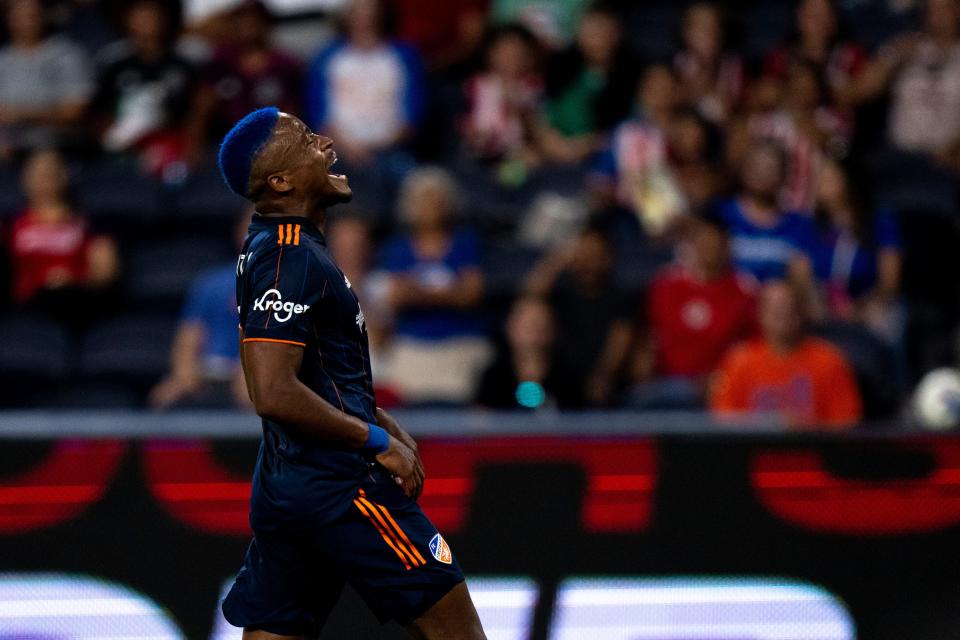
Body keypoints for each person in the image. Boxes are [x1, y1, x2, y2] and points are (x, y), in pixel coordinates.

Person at [216, 108, 486, 638]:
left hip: (288, 485)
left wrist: (378, 414)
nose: (327, 143)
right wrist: (373, 438)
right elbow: (271, 391)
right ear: (281, 180)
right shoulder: (287, 256)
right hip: (339, 488)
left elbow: (317, 373)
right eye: (306, 140)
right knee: (458, 631)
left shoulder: (284, 246)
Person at [379, 167, 490, 405]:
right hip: (414, 344)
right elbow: (395, 297)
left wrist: (418, 293)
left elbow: (472, 294)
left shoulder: (465, 243)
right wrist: (449, 293)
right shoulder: (398, 248)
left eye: (437, 200)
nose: (431, 207)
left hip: (461, 342)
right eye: (425, 201)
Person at [628, 213, 757, 409]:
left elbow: (752, 348)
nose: (709, 248)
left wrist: (722, 376)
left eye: (716, 243)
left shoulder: (743, 290)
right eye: (704, 241)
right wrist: (643, 367)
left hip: (721, 385)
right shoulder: (666, 285)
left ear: (726, 246)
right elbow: (646, 336)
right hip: (666, 383)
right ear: (693, 244)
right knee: (639, 401)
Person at [710, 280, 862, 429]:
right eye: (775, 310)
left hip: (812, 451)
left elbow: (846, 424)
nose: (783, 315)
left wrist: (801, 429)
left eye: (789, 308)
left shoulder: (829, 360)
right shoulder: (739, 361)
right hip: (754, 451)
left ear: (801, 312)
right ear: (760, 314)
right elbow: (724, 422)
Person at [304, 0, 425, 166]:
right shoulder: (326, 58)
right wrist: (348, 148)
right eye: (358, 11)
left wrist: (382, 146)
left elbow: (414, 114)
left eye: (370, 10)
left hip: (395, 151)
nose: (365, 17)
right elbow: (317, 113)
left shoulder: (405, 56)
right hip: (338, 152)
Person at [525, 224, 636, 406]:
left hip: (604, 381)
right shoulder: (562, 291)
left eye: (596, 254)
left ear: (608, 257)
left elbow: (620, 340)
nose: (589, 260)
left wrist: (604, 374)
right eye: (585, 252)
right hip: (561, 378)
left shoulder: (620, 296)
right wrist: (557, 260)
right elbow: (531, 294)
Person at [4, 149, 118, 323]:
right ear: (25, 179)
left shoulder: (90, 223)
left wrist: (74, 282)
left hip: (76, 304)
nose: (44, 179)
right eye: (37, 173)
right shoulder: (11, 224)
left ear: (64, 175)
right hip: (26, 308)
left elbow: (105, 272)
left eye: (50, 172)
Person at [150, 215, 250, 410]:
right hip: (209, 374)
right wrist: (184, 375)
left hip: (259, 379)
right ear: (239, 232)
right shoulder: (212, 282)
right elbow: (189, 337)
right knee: (164, 397)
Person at [91, 0, 197, 179]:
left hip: (171, 149)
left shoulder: (184, 65)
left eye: (153, 16)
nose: (148, 22)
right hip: (123, 149)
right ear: (128, 20)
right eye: (141, 16)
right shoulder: (114, 64)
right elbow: (97, 113)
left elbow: (194, 113)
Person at [188, 1, 302, 155]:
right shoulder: (222, 60)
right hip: (223, 146)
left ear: (267, 24)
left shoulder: (285, 65)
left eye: (255, 21)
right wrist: (194, 144)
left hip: (269, 148)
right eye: (242, 21)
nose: (249, 26)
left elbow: (291, 114)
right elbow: (203, 107)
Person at [533, 4, 636, 165]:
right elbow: (540, 112)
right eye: (591, 30)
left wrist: (587, 145)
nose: (598, 37)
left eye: (605, 30)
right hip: (551, 151)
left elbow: (630, 126)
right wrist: (551, 142)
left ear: (617, 34)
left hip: (605, 160)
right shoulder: (557, 68)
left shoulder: (631, 75)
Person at [711, 142, 818, 294]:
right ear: (744, 170)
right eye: (756, 167)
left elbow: (804, 281)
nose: (762, 174)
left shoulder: (799, 225)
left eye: (770, 168)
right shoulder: (720, 215)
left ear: (784, 176)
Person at [812, 158, 902, 341]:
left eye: (829, 178)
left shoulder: (879, 222)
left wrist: (860, 310)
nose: (820, 183)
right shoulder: (811, 227)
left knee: (887, 320)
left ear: (849, 181)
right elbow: (803, 279)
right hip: (823, 310)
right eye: (819, 178)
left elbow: (889, 282)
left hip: (869, 306)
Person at [0, 0, 94, 156]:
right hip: (7, 141)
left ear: (44, 16)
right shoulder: (3, 58)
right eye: (20, 15)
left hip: (56, 143)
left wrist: (20, 114)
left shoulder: (66, 54)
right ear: (9, 19)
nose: (27, 21)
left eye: (32, 15)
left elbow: (75, 111)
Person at [475, 295, 583, 409]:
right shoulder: (494, 378)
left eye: (542, 326)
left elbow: (581, 421)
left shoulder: (568, 380)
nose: (535, 334)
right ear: (510, 328)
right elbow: (481, 419)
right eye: (529, 326)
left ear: (554, 330)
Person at [673, 2, 744, 126]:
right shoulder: (675, 64)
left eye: (713, 26)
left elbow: (732, 111)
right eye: (701, 27)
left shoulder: (733, 65)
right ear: (686, 33)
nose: (709, 33)